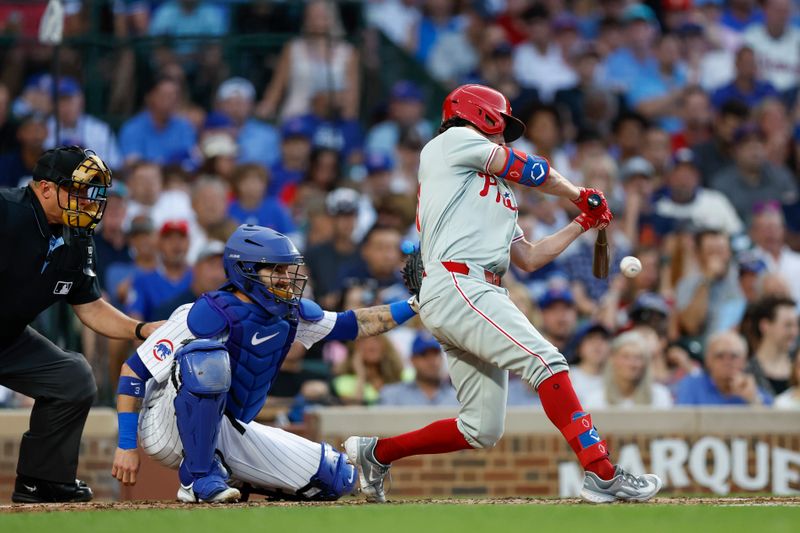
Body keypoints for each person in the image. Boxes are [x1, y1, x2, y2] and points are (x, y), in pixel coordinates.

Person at [344, 84, 662, 505]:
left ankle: (376, 453)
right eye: (500, 126)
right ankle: (601, 472)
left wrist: (582, 223)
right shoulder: (449, 143)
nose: (503, 136)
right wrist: (576, 194)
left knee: (480, 429)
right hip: (460, 283)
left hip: (474, 290)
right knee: (547, 361)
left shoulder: (497, 192)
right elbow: (528, 167)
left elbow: (528, 258)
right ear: (479, 115)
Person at [111, 224, 420, 503]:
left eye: (289, 270)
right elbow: (133, 370)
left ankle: (234, 476)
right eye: (277, 270)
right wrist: (126, 445)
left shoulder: (288, 313)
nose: (287, 278)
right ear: (246, 270)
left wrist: (414, 304)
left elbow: (353, 324)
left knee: (337, 478)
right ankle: (198, 479)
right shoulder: (205, 312)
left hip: (225, 429)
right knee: (207, 358)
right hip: (166, 427)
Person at [0, 146, 162, 503]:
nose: (86, 201)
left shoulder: (78, 236)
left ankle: (42, 482)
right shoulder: (5, 211)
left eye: (90, 192)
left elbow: (89, 306)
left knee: (71, 377)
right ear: (44, 189)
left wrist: (140, 329)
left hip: (7, 339)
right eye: (76, 190)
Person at [675, 330, 772, 405]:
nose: (727, 362)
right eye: (720, 356)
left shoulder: (751, 389)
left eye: (734, 356)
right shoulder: (692, 385)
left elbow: (772, 424)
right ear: (708, 360)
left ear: (744, 361)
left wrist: (753, 399)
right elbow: (681, 422)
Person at [582, 330, 674, 409]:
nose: (632, 364)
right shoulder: (596, 399)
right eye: (626, 357)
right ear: (613, 359)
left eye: (638, 357)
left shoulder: (660, 396)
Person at [379, 331, 459, 407]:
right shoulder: (392, 395)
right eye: (424, 355)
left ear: (442, 358)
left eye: (435, 355)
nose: (431, 361)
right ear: (412, 360)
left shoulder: (458, 398)